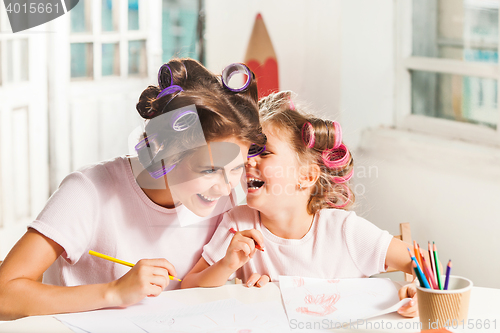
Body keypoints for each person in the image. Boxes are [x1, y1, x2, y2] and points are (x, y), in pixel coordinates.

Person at [0, 59, 266, 320]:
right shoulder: (88, 191)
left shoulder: (220, 196)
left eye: (236, 169)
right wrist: (114, 292)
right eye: (209, 170)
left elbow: (195, 290)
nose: (225, 187)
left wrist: (244, 281)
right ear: (166, 153)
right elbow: (4, 295)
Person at [182, 91, 419, 318]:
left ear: (305, 176)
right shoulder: (238, 223)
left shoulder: (344, 231)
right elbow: (189, 286)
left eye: (264, 153)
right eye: (250, 151)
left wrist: (420, 291)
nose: (248, 160)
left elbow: (425, 262)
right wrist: (226, 265)